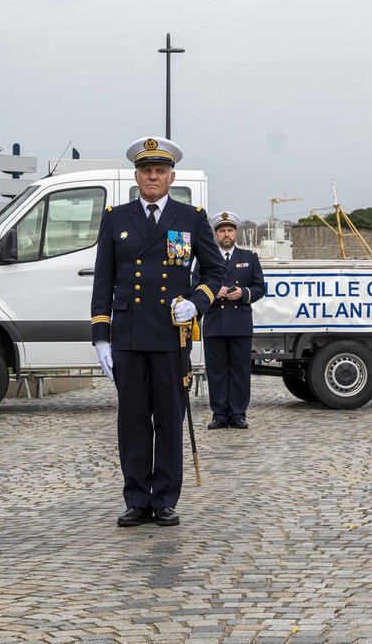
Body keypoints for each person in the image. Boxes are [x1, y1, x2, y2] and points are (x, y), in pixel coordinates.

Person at [90, 137, 224, 528]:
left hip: (170, 334)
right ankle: (136, 499)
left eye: (160, 171)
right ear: (137, 176)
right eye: (146, 170)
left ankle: (165, 499)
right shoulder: (117, 217)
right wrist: (101, 336)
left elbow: (216, 272)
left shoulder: (191, 218)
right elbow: (104, 280)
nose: (153, 176)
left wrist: (196, 302)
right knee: (132, 420)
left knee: (168, 418)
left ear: (171, 177)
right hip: (129, 334)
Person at [203, 211, 266, 430]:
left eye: (229, 230)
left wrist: (243, 293)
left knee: (240, 371)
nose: (226, 235)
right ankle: (219, 414)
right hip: (215, 322)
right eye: (222, 231)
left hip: (239, 322)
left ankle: (238, 413)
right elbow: (194, 285)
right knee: (217, 371)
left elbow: (260, 288)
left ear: (235, 233)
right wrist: (213, 291)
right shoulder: (206, 258)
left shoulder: (249, 258)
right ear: (216, 234)